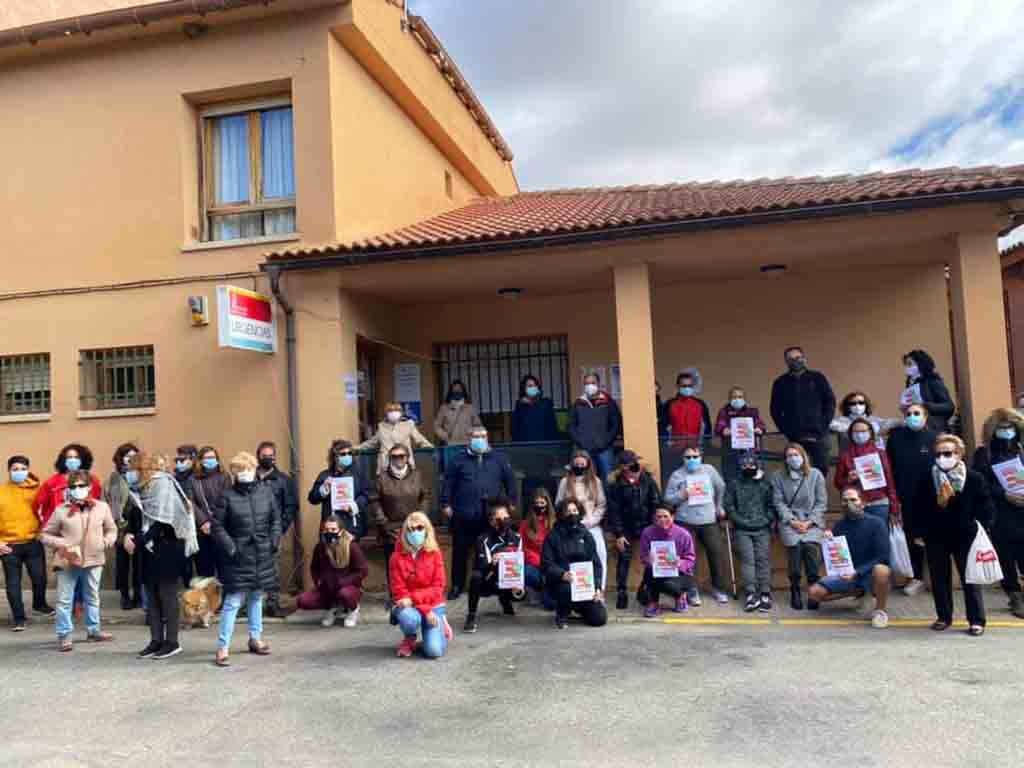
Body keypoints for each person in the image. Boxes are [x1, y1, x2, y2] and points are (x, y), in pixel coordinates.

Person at [914, 434, 993, 636]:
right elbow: (918, 508)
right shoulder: (927, 478)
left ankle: (976, 620)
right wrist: (921, 530)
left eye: (947, 453)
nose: (942, 458)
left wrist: (981, 529)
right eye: (939, 454)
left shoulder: (974, 478)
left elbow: (986, 508)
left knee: (970, 579)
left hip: (966, 535)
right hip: (936, 535)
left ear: (959, 454)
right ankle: (943, 616)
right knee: (939, 578)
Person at [210, 452, 281, 666]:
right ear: (234, 473)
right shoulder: (227, 496)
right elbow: (217, 526)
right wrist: (231, 547)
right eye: (240, 470)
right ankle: (223, 647)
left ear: (254, 469)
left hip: (261, 553)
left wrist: (274, 541)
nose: (245, 473)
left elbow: (275, 520)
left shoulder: (266, 492)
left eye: (248, 469)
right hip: (238, 556)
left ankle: (255, 638)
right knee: (232, 602)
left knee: (257, 597)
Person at [124, 453, 198, 660]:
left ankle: (172, 642)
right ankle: (155, 640)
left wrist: (139, 540)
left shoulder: (162, 484)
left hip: (167, 546)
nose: (128, 474)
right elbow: (136, 516)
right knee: (151, 594)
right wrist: (128, 535)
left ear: (142, 469)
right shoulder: (140, 489)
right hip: (148, 548)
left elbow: (162, 520)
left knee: (166, 594)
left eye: (132, 469)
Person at [39, 470, 117, 651]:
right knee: (64, 599)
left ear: (89, 487)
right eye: (73, 486)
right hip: (69, 560)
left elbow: (112, 529)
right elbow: (44, 535)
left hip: (94, 559)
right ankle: (64, 635)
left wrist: (106, 541)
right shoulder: (61, 510)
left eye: (81, 485)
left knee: (93, 596)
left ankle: (93, 630)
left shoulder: (101, 507)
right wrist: (62, 544)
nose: (77, 489)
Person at [441, 426, 517, 600]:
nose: (480, 439)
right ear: (469, 438)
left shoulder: (499, 458)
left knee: (487, 551)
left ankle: (484, 585)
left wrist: (511, 503)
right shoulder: (458, 459)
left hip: (491, 516)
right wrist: (446, 504)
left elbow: (510, 481)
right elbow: (448, 483)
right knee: (460, 552)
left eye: (483, 436)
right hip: (464, 513)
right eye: (476, 436)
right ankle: (457, 586)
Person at [808, 487, 892, 629]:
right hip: (848, 574)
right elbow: (829, 558)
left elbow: (883, 556)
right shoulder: (839, 526)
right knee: (814, 593)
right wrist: (827, 541)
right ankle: (859, 592)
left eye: (853, 499)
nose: (849, 503)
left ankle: (880, 611)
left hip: (868, 573)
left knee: (881, 570)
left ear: (863, 502)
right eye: (845, 500)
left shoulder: (877, 523)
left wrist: (857, 572)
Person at [972, 408, 1024, 618]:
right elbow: (980, 483)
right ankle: (1014, 595)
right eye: (1002, 428)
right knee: (1005, 555)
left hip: (1022, 511)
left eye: (1010, 427)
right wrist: (1003, 494)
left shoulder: (1021, 450)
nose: (1006, 431)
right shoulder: (984, 454)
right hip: (999, 513)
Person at [664, 444, 730, 605]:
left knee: (716, 553)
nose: (692, 460)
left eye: (695, 456)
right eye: (688, 457)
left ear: (701, 457)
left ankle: (718, 588)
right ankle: (691, 590)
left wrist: (719, 506)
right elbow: (667, 498)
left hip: (708, 520)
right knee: (688, 558)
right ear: (683, 459)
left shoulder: (709, 470)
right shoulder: (677, 475)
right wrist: (682, 495)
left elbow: (721, 486)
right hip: (685, 522)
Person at [886, 403, 937, 596]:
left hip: (932, 498)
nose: (913, 416)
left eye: (917, 413)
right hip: (905, 497)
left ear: (925, 416)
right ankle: (916, 578)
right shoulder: (896, 438)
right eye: (909, 414)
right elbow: (889, 468)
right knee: (911, 539)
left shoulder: (934, 438)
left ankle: (936, 577)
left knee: (933, 538)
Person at [389, 511, 453, 658]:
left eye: (419, 528)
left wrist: (414, 601)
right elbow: (399, 592)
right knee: (407, 617)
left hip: (433, 605)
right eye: (410, 529)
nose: (415, 532)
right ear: (405, 533)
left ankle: (440, 624)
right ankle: (410, 638)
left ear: (426, 530)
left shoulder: (435, 553)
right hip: (411, 608)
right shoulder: (396, 558)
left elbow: (439, 586)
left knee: (434, 652)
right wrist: (424, 610)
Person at [0, 455, 53, 631]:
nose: (19, 472)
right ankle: (19, 618)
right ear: (9, 471)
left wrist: (44, 533)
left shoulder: (37, 489)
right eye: (15, 469)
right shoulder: (1, 492)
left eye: (23, 469)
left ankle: (40, 604)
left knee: (39, 578)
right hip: (9, 545)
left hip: (33, 542)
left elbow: (47, 511)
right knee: (13, 584)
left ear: (28, 470)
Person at [773, 443, 827, 610]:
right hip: (790, 522)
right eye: (789, 456)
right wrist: (793, 521)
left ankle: (813, 590)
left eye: (796, 455)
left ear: (803, 456)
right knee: (795, 549)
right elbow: (779, 502)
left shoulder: (816, 475)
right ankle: (795, 588)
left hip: (812, 522)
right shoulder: (778, 476)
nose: (793, 458)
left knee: (810, 548)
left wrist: (809, 522)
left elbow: (821, 502)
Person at [606, 449, 662, 610]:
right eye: (631, 463)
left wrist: (655, 526)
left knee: (651, 558)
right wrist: (619, 534)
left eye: (636, 462)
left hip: (646, 525)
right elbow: (613, 510)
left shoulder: (647, 480)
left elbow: (655, 502)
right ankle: (622, 591)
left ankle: (644, 588)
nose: (636, 465)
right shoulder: (616, 485)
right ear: (623, 467)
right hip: (626, 527)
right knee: (624, 557)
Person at [542, 498, 608, 629]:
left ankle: (581, 608)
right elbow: (546, 564)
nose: (572, 514)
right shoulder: (553, 536)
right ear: (561, 514)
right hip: (562, 584)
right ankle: (562, 612)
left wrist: (598, 587)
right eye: (568, 511)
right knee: (565, 590)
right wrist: (562, 574)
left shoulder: (587, 535)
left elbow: (596, 564)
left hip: (585, 585)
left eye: (575, 510)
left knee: (599, 619)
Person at [770, 346, 836, 473]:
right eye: (791, 359)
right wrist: (787, 430)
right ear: (786, 362)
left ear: (804, 359)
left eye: (798, 357)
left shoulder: (817, 378)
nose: (795, 361)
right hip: (796, 437)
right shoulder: (780, 382)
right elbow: (775, 410)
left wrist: (822, 425)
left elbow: (830, 402)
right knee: (798, 470)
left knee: (821, 469)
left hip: (819, 435)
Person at [725, 451, 776, 612]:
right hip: (742, 529)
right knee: (748, 560)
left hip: (762, 528)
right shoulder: (734, 484)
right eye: (745, 464)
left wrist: (765, 520)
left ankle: (765, 592)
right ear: (740, 466)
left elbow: (772, 505)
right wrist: (740, 521)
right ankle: (751, 593)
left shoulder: (765, 484)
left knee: (763, 559)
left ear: (756, 465)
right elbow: (729, 505)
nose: (748, 467)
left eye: (751, 464)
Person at [297, 515, 368, 628]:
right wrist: (318, 581)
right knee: (303, 600)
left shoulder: (351, 546)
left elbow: (362, 570)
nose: (329, 532)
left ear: (341, 531)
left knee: (345, 594)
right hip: (327, 587)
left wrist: (343, 582)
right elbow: (314, 567)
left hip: (348, 586)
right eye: (326, 530)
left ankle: (353, 609)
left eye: (333, 529)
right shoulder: (321, 547)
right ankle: (333, 608)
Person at [464, 496, 523, 633]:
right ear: (491, 521)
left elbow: (519, 564)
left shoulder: (517, 538)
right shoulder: (483, 539)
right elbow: (482, 566)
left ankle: (506, 601)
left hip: (509, 579)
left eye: (506, 518)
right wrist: (493, 562)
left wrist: (518, 583)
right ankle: (471, 615)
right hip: (488, 579)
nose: (503, 522)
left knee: (521, 591)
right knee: (476, 577)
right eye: (499, 519)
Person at [255, 441, 299, 618]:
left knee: (272, 569)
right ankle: (254, 604)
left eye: (271, 455)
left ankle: (272, 604)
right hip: (250, 532)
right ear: (258, 456)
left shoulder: (283, 480)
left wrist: (279, 528)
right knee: (252, 568)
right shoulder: (249, 477)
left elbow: (290, 506)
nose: (268, 458)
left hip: (272, 532)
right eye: (265, 455)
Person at [556, 450, 608, 595]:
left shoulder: (595, 482)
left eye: (582, 464)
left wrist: (591, 521)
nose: (579, 466)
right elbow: (559, 504)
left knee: (600, 555)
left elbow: (601, 505)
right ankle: (576, 591)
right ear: (572, 464)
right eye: (577, 464)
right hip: (570, 526)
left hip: (591, 526)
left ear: (588, 465)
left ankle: (599, 590)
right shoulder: (564, 483)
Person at [833, 419, 901, 525]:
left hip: (878, 503)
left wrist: (894, 507)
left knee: (879, 535)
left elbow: (889, 482)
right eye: (856, 432)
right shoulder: (845, 455)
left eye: (863, 431)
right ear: (851, 434)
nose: (860, 434)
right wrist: (848, 480)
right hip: (854, 504)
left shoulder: (880, 453)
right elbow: (837, 482)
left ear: (870, 432)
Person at [638, 505, 697, 617]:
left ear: (673, 517)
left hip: (680, 573)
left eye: (666, 516)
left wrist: (680, 563)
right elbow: (643, 556)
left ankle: (680, 596)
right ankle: (654, 602)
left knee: (666, 584)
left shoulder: (683, 534)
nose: (662, 520)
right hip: (656, 571)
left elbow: (691, 560)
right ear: (654, 518)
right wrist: (648, 559)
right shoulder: (647, 532)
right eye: (659, 517)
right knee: (649, 573)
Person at [105, 442, 143, 610]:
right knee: (122, 564)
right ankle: (124, 595)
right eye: (127, 455)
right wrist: (119, 528)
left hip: (139, 525)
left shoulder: (141, 475)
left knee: (139, 563)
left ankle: (138, 595)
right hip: (120, 525)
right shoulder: (114, 478)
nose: (130, 459)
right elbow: (113, 504)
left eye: (133, 455)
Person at [308, 439, 370, 539]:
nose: (347, 456)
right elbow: (312, 499)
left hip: (351, 526)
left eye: (349, 453)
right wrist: (323, 489)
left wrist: (354, 505)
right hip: (330, 527)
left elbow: (367, 494)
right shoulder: (325, 475)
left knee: (351, 553)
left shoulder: (358, 474)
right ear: (335, 457)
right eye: (343, 454)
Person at [567, 372, 622, 486]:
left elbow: (616, 424)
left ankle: (610, 504)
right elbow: (571, 425)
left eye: (593, 383)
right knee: (586, 481)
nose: (589, 385)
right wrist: (580, 442)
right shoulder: (578, 403)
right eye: (587, 383)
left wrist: (606, 441)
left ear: (598, 384)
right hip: (585, 450)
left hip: (604, 449)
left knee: (609, 480)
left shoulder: (607, 401)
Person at [372, 445, 428, 549]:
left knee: (413, 563)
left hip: (413, 529)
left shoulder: (417, 476)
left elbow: (425, 497)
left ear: (407, 458)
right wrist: (384, 522)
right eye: (394, 456)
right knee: (393, 563)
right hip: (390, 530)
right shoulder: (381, 478)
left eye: (401, 456)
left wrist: (420, 519)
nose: (398, 459)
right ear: (390, 459)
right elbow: (374, 501)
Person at [34, 443, 102, 527]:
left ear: (83, 460)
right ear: (63, 460)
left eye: (76, 457)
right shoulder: (51, 482)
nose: (72, 460)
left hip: (84, 527)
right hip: (58, 528)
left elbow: (97, 504)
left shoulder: (93, 480)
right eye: (69, 457)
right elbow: (39, 505)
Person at [190, 446, 231, 579]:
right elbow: (190, 502)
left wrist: (214, 523)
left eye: (213, 457)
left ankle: (224, 599)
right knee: (205, 571)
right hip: (202, 530)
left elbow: (227, 501)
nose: (211, 460)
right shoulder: (194, 480)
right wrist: (202, 521)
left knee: (224, 570)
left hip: (221, 529)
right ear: (200, 461)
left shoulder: (224, 477)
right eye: (207, 458)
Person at [359, 401, 433, 473]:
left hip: (405, 464)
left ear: (401, 412)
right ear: (386, 413)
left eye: (396, 410)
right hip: (385, 466)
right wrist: (357, 447)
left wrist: (430, 447)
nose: (393, 413)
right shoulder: (381, 426)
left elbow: (419, 439)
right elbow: (372, 442)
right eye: (390, 410)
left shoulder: (408, 424)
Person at [714, 385, 766, 481]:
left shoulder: (752, 412)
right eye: (734, 397)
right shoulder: (724, 412)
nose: (737, 399)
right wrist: (724, 430)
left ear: (744, 399)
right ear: (729, 399)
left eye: (740, 397)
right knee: (731, 480)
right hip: (730, 453)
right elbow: (718, 428)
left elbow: (761, 425)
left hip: (749, 453)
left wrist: (759, 429)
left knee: (751, 479)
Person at [519, 488, 556, 608]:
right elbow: (522, 547)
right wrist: (538, 561)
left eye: (542, 503)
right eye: (536, 503)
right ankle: (540, 589)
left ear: (547, 504)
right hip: (533, 565)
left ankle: (545, 590)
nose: (539, 506)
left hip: (551, 565)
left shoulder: (555, 523)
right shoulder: (525, 524)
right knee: (524, 572)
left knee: (551, 605)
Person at [903, 350, 955, 432]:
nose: (907, 368)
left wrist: (925, 405)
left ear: (921, 364)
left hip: (935, 429)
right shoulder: (910, 384)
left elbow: (949, 406)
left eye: (910, 364)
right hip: (918, 430)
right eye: (905, 365)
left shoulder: (932, 381)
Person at [830, 391, 900, 450]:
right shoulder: (842, 420)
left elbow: (891, 422)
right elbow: (830, 424)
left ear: (866, 404)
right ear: (847, 406)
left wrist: (906, 421)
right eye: (853, 403)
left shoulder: (873, 419)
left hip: (873, 458)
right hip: (850, 458)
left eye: (861, 403)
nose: (857, 406)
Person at [665, 368, 712, 447]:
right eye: (684, 386)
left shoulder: (700, 404)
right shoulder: (669, 404)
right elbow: (663, 427)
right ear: (677, 386)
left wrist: (704, 444)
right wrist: (667, 444)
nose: (687, 388)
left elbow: (707, 428)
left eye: (690, 386)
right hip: (675, 449)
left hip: (695, 450)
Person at [174, 444, 198, 587]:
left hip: (199, 525)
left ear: (193, 459)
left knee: (202, 564)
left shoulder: (197, 477)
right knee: (185, 564)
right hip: (181, 527)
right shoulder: (175, 477)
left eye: (183, 459)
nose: (179, 462)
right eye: (177, 459)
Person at [511, 374, 560, 443]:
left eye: (535, 385)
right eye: (530, 386)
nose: (533, 388)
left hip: (545, 445)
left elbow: (552, 426)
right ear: (524, 389)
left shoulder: (546, 404)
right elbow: (515, 429)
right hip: (525, 446)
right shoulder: (519, 405)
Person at [433, 379, 482, 446]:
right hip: (450, 445)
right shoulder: (444, 408)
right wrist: (445, 436)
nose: (457, 391)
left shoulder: (470, 408)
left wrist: (471, 435)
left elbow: (478, 425)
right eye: (455, 389)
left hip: (468, 444)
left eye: (459, 389)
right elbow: (437, 426)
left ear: (463, 391)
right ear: (451, 391)